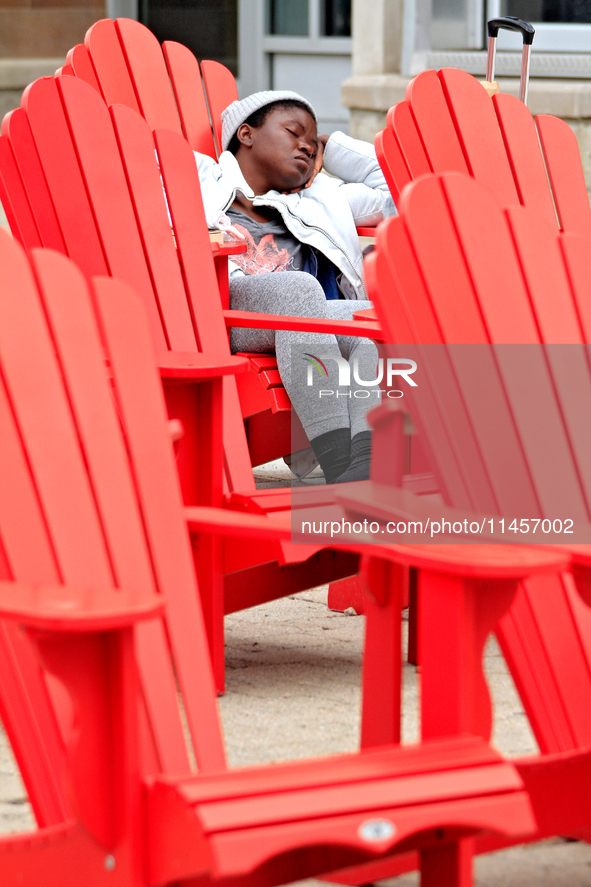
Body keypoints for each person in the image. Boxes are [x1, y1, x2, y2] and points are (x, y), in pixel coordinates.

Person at [193, 90, 396, 483]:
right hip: (224, 312)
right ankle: (339, 465)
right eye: (293, 132)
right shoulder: (201, 176)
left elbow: (397, 195)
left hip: (297, 319)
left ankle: (366, 463)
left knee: (364, 321)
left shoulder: (322, 199)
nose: (306, 144)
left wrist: (333, 148)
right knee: (299, 290)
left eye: (312, 140)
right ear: (246, 134)